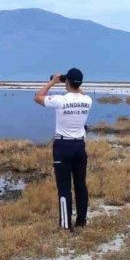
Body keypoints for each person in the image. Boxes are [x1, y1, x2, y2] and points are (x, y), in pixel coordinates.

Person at [34, 67, 92, 231]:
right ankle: (81, 221)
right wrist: (71, 82)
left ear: (67, 82)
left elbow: (38, 97)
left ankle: (66, 226)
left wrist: (53, 81)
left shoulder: (61, 100)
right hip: (80, 146)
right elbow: (79, 92)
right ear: (79, 83)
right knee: (81, 184)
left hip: (63, 146)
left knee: (64, 187)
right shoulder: (87, 100)